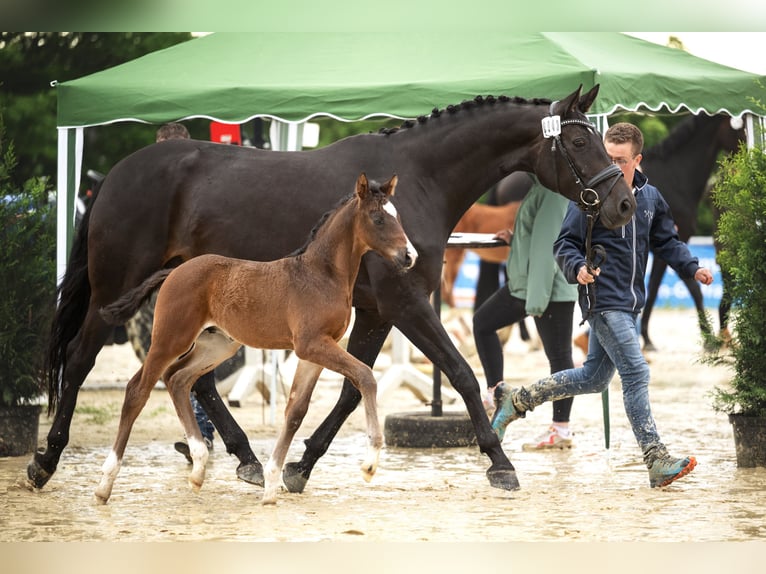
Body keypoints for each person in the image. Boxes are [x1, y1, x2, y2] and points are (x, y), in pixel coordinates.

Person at [491, 122, 714, 488]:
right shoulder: (590, 197)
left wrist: (692, 268)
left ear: (637, 160)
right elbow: (564, 244)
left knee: (593, 378)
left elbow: (667, 243)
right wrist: (576, 267)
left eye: (620, 160)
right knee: (637, 373)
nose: (611, 166)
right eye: (606, 158)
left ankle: (516, 399)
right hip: (603, 301)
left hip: (630, 304)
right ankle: (655, 458)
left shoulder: (652, 198)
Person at [473, 172, 578, 450]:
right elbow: (538, 235)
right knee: (558, 357)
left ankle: (558, 427)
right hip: (536, 285)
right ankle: (500, 393)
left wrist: (536, 303)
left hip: (540, 288)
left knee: (558, 358)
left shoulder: (552, 193)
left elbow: (547, 250)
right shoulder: (543, 187)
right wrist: (516, 238)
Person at [154, 122, 216, 462]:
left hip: (198, 287)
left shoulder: (194, 190)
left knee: (198, 363)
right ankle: (199, 434)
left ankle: (201, 435)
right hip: (176, 288)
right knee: (186, 362)